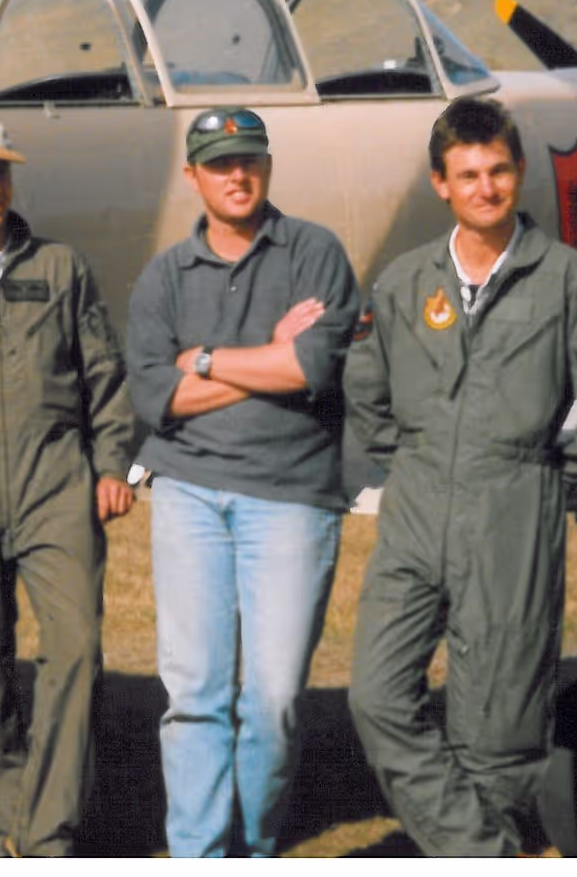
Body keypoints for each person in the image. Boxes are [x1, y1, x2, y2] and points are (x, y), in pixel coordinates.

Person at [344, 95, 577, 856]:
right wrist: (423, 453)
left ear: (517, 173)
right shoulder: (403, 282)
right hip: (418, 509)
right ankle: (488, 855)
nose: (484, 187)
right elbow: (366, 389)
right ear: (441, 183)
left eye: (497, 171)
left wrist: (550, 466)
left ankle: (481, 846)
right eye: (467, 174)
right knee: (377, 697)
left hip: (512, 512)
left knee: (499, 735)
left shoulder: (565, 279)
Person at [124, 107, 361, 858]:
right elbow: (154, 399)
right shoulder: (164, 276)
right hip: (189, 492)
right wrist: (261, 356)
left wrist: (202, 359)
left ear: (266, 164)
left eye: (248, 158)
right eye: (219, 162)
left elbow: (309, 367)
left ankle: (254, 846)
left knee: (276, 698)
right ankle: (199, 855)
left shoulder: (315, 252)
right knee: (195, 695)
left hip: (290, 494)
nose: (236, 174)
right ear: (193, 175)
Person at [0, 116, 138, 857]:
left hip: (57, 486)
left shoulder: (60, 268)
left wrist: (111, 463)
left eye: (0, 172)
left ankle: (50, 828)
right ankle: (7, 806)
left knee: (76, 648)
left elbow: (104, 375)